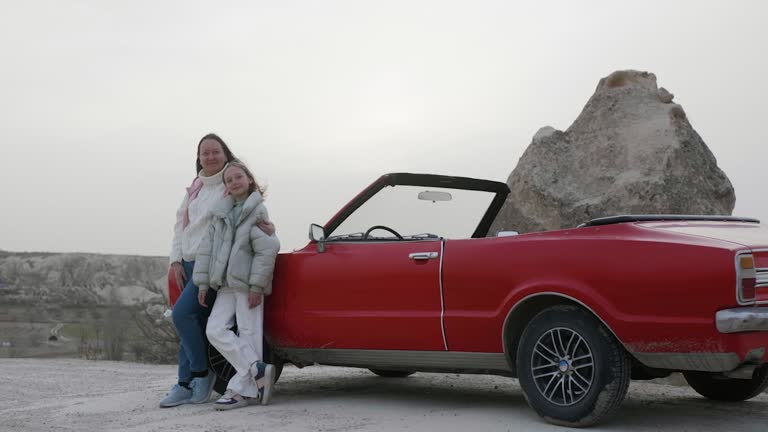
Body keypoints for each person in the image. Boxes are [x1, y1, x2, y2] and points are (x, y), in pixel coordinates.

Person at [159, 134, 274, 408]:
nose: (209, 157)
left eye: (215, 152)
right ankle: (185, 383)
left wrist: (268, 228)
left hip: (213, 266)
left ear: (225, 154)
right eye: (204, 153)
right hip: (191, 263)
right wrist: (176, 259)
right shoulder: (195, 188)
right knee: (194, 326)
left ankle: (203, 376)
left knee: (184, 315)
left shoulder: (230, 185)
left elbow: (251, 219)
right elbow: (181, 225)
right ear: (198, 157)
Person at [193, 160, 280, 410]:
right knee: (215, 329)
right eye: (229, 180)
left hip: (247, 285)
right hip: (226, 285)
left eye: (238, 177)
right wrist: (201, 284)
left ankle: (244, 391)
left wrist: (256, 286)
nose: (234, 182)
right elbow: (207, 250)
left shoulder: (257, 212)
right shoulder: (220, 214)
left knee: (249, 333)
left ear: (249, 179)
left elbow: (267, 251)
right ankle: (256, 369)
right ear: (226, 187)